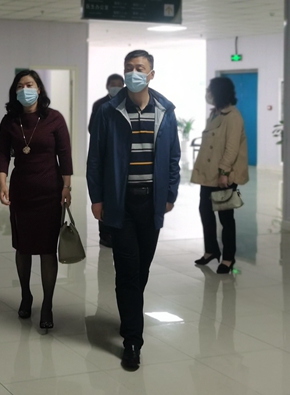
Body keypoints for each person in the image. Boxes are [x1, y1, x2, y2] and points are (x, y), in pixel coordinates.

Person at [87, 50, 180, 371]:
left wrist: (170, 193)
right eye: (129, 68)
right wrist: (97, 198)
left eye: (140, 68)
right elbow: (96, 158)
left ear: (151, 74)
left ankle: (129, 314)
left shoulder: (165, 110)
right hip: (120, 202)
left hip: (151, 202)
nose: (133, 73)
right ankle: (132, 340)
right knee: (127, 270)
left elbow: (173, 157)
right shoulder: (108, 111)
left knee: (142, 269)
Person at [0, 70, 72, 331]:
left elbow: (65, 154)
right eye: (20, 86)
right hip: (22, 192)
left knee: (48, 249)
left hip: (50, 192)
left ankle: (47, 303)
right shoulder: (10, 121)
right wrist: (2, 183)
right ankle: (26, 295)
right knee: (23, 247)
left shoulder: (54, 119)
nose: (25, 89)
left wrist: (67, 186)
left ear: (39, 89)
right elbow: (3, 154)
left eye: (29, 84)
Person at [191, 76, 249, 275]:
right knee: (205, 212)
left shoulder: (233, 117)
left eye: (211, 90)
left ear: (219, 92)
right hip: (208, 175)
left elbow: (231, 149)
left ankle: (228, 257)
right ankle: (211, 250)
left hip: (224, 176)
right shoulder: (215, 114)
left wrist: (224, 172)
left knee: (226, 218)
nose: (208, 93)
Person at [89, 73, 124, 248]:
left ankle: (119, 231)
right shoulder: (100, 105)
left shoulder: (127, 104)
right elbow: (92, 128)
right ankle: (104, 234)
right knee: (103, 196)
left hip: (122, 157)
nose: (116, 87)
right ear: (107, 86)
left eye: (119, 84)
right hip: (104, 156)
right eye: (113, 84)